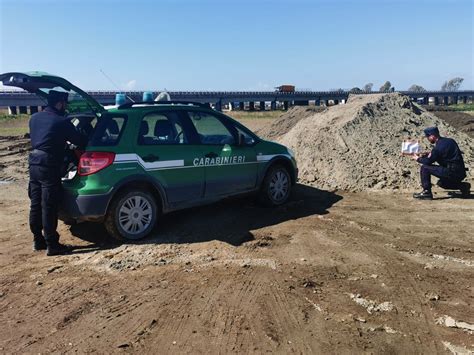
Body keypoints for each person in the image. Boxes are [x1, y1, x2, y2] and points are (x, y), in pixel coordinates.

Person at [28, 90, 88, 256]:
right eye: (65, 104)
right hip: (49, 164)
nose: (66, 107)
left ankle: (37, 240)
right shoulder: (61, 121)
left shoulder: (34, 118)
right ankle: (52, 244)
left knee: (36, 202)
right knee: (49, 204)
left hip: (34, 162)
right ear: (60, 103)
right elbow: (80, 141)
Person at [412, 126, 470, 200]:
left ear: (432, 136)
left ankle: (426, 192)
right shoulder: (450, 141)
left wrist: (417, 158)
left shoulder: (438, 148)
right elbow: (447, 155)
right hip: (461, 172)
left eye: (428, 137)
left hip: (451, 172)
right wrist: (429, 154)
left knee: (425, 168)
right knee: (441, 183)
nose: (428, 139)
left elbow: (428, 161)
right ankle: (463, 186)